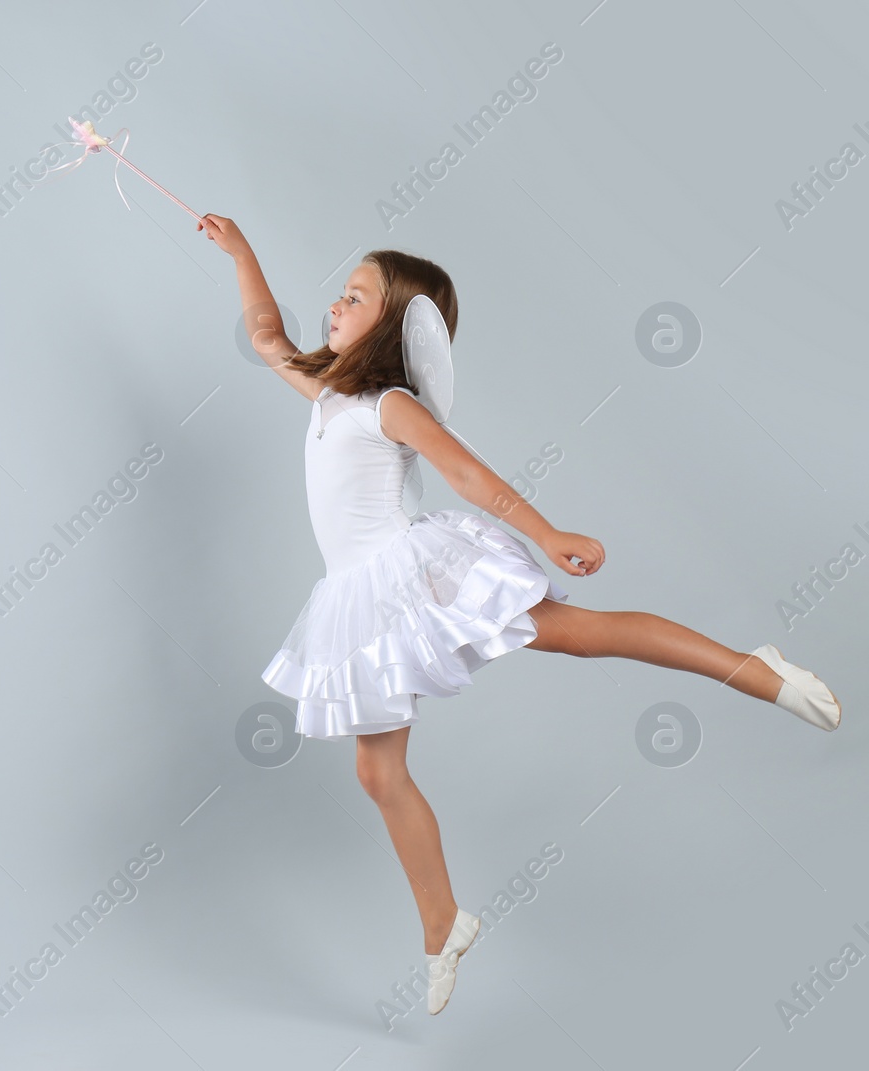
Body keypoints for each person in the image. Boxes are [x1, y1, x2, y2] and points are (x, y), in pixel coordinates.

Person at [199, 212, 843, 1015]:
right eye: (338, 293)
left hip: (414, 577)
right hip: (357, 598)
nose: (334, 306)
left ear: (391, 324)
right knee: (376, 770)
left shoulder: (388, 405)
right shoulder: (327, 389)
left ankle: (757, 668)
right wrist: (241, 251)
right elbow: (266, 336)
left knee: (582, 635)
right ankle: (445, 920)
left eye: (353, 297)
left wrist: (545, 534)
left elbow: (469, 477)